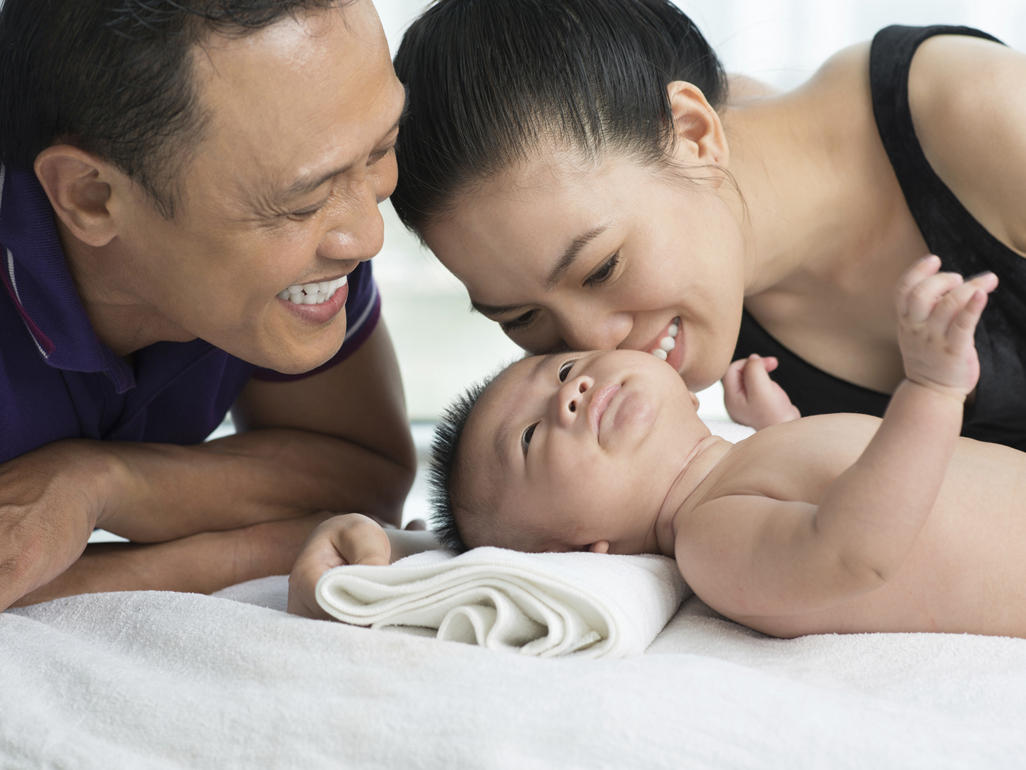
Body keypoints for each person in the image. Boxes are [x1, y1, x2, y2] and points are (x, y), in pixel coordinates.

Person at [387, 0, 1026, 444]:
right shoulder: (696, 244)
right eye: (521, 318)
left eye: (603, 267)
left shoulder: (987, 117)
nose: (592, 345)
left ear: (693, 135)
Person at [0, 0, 425, 611]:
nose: (366, 236)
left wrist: (92, 483)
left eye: (382, 148)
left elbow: (365, 479)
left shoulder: (312, 227)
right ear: (91, 197)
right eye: (303, 201)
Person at [378, 258, 1024, 639]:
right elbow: (849, 551)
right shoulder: (707, 541)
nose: (568, 397)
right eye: (530, 437)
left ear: (685, 395)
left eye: (569, 369)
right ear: (578, 554)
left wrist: (781, 429)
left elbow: (822, 490)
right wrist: (931, 391)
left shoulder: (736, 473)